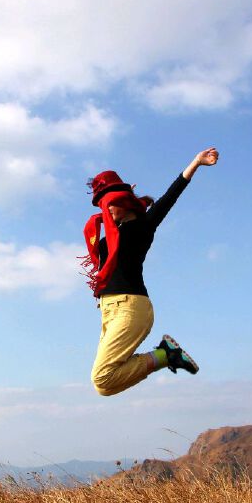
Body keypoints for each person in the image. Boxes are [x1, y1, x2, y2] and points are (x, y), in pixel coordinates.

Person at [81, 147, 219, 396]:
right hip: (109, 311)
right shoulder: (109, 238)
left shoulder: (143, 227)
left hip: (131, 306)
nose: (106, 209)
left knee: (102, 377)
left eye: (110, 203)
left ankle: (165, 354)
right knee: (103, 386)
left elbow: (171, 195)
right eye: (102, 204)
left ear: (123, 201)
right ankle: (167, 354)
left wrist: (196, 163)